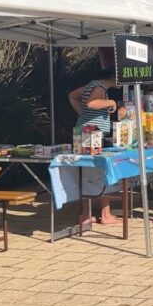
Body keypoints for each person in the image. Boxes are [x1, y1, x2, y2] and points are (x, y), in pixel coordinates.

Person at [68, 68, 121, 226]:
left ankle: (85, 214)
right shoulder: (100, 88)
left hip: (84, 130)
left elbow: (72, 96)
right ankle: (105, 215)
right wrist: (111, 102)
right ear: (114, 77)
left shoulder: (91, 85)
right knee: (100, 173)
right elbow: (92, 103)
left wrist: (82, 115)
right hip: (92, 134)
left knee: (85, 173)